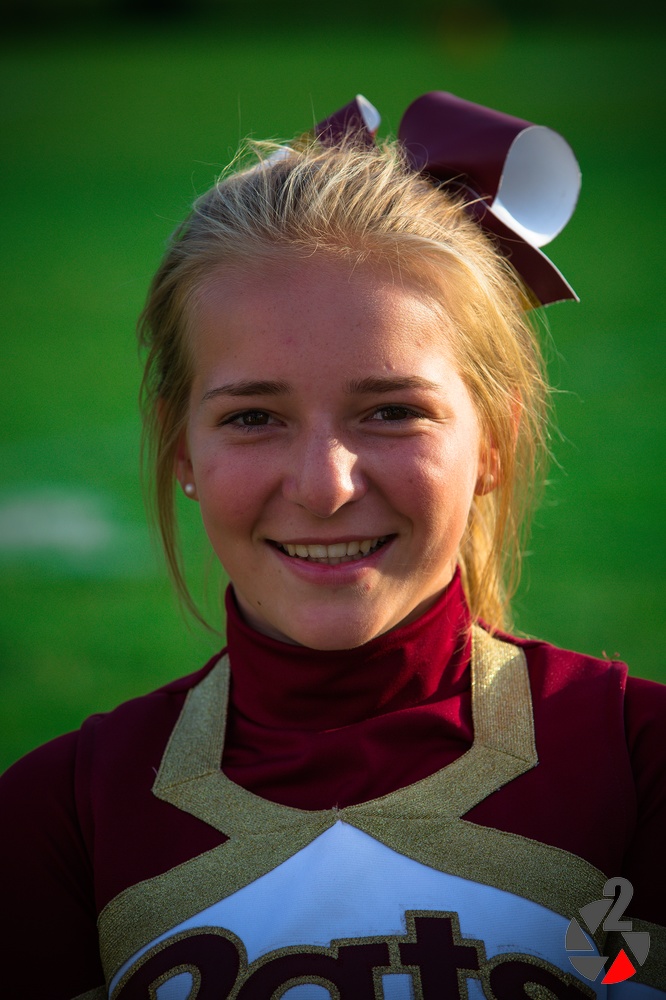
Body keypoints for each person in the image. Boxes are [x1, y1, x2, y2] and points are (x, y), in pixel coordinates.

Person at [1, 92, 664, 999]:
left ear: (494, 442)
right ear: (180, 447)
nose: (324, 486)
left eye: (391, 411)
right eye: (253, 417)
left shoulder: (642, 766)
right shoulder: (58, 819)